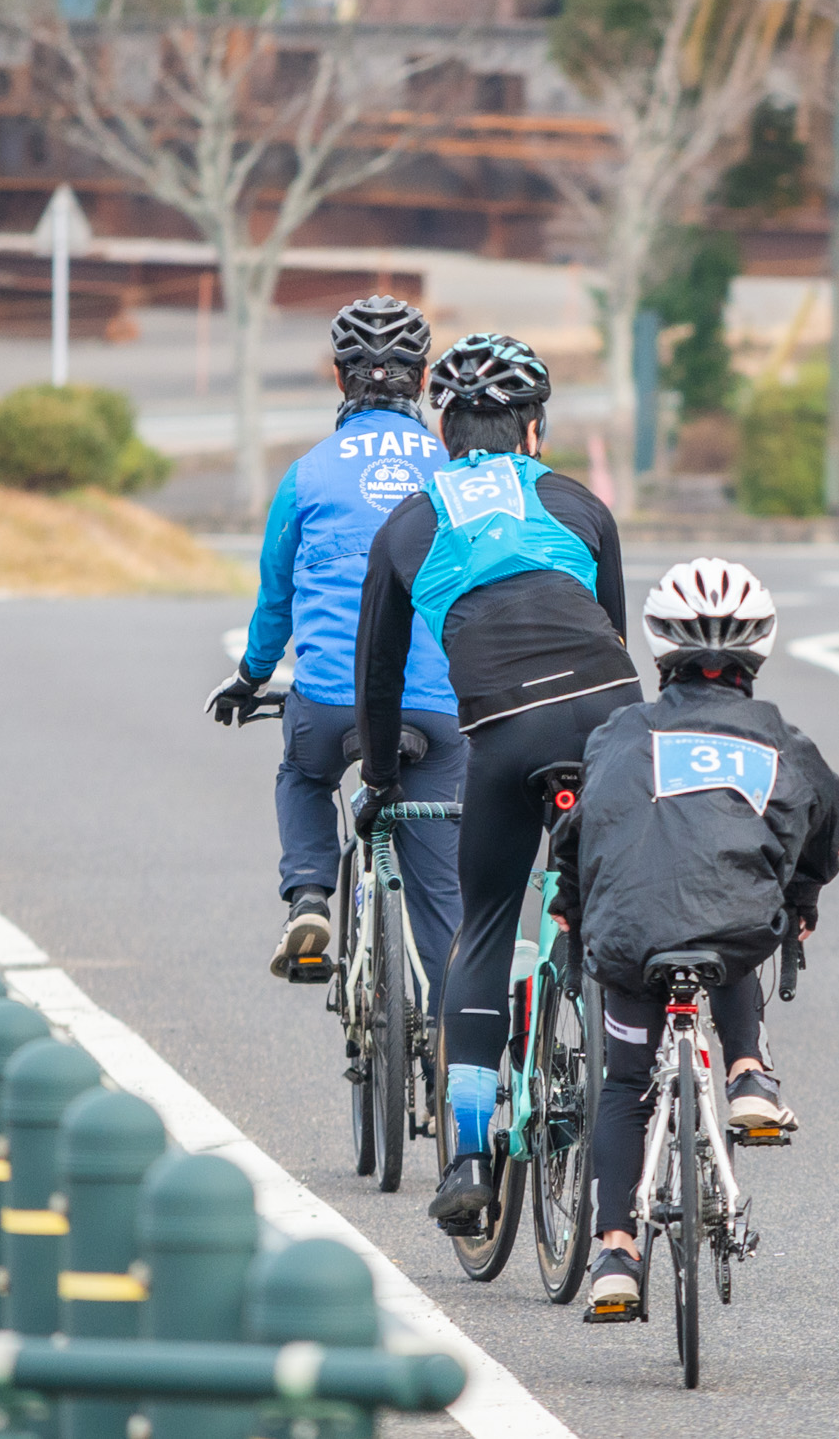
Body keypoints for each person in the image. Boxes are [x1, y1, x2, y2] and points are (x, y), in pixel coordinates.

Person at [351, 330, 642, 1229]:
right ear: (534, 430)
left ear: (444, 432)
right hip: (609, 713)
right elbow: (614, 632)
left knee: (483, 926)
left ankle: (470, 1156)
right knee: (619, 899)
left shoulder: (410, 521)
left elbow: (378, 676)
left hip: (506, 730)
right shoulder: (580, 503)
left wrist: (380, 779)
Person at [542, 557, 839, 1316]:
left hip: (628, 936)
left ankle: (616, 1253)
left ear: (660, 649)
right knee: (733, 921)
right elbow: (823, 819)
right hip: (735, 931)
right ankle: (748, 1073)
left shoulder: (620, 732)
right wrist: (800, 899)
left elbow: (577, 831)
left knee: (624, 1083)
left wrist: (571, 907)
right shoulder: (782, 739)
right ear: (757, 652)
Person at [204, 295, 466, 984]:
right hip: (437, 705)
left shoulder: (307, 473)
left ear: (336, 376)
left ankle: (310, 898)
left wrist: (251, 677)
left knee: (303, 773)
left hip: (329, 699)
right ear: (424, 377)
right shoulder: (456, 472)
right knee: (443, 896)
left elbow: (277, 600)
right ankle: (452, 1028)